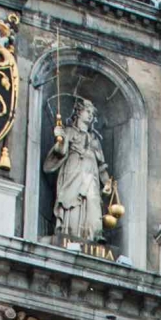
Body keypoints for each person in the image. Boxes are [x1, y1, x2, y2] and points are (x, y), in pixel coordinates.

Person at [45, 98, 111, 243]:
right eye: (87, 111)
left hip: (91, 175)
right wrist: (60, 139)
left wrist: (107, 183)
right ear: (78, 112)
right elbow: (60, 152)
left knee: (93, 204)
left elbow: (102, 166)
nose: (90, 115)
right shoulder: (68, 131)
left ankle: (93, 235)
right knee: (72, 203)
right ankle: (69, 233)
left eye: (92, 113)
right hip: (73, 171)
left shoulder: (94, 139)